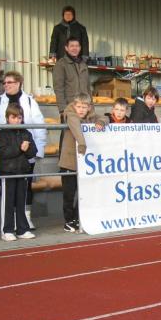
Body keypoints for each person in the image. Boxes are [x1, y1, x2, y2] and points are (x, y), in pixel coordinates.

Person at [0, 71, 46, 229]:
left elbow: (39, 125)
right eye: (4, 83)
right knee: (8, 189)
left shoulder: (29, 101)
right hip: (7, 155)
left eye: (9, 82)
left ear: (18, 83)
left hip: (26, 153)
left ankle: (25, 218)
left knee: (26, 187)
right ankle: (11, 220)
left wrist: (38, 150)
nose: (6, 85)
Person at [60, 93, 106, 233]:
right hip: (69, 162)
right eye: (79, 106)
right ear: (74, 106)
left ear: (89, 107)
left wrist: (101, 122)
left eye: (84, 107)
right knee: (69, 194)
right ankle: (68, 220)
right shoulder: (70, 114)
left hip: (84, 162)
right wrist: (82, 143)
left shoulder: (91, 116)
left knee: (84, 193)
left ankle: (76, 218)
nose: (81, 110)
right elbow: (75, 125)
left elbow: (105, 117)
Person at [0, 102, 37, 241]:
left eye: (19, 117)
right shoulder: (3, 133)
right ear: (7, 118)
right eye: (13, 117)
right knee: (8, 202)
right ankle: (6, 230)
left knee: (21, 202)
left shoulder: (26, 133)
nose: (17, 120)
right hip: (7, 172)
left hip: (22, 171)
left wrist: (27, 149)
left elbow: (33, 152)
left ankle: (22, 229)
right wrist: (20, 148)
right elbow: (2, 153)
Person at [52, 37, 90, 117]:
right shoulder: (61, 64)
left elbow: (88, 88)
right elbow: (58, 88)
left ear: (80, 48)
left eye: (77, 46)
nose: (75, 48)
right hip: (70, 108)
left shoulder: (83, 64)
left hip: (85, 108)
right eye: (72, 46)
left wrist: (91, 106)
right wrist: (62, 109)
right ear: (66, 48)